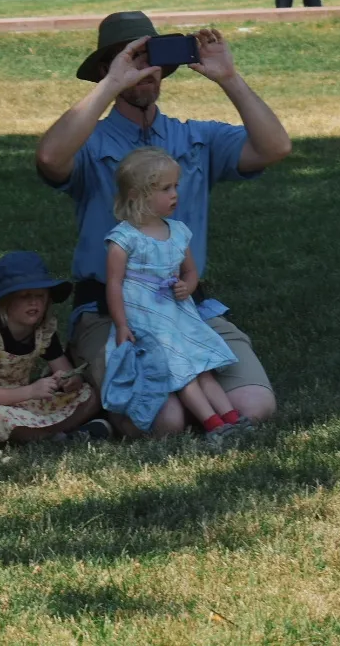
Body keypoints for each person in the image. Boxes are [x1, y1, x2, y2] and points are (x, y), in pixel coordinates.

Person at [35, 11, 292, 436]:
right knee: (164, 420)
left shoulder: (196, 137)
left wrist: (229, 77)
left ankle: (111, 409)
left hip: (185, 306)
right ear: (106, 68)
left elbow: (275, 146)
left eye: (150, 58)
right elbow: (49, 158)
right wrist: (111, 86)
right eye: (130, 59)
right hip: (108, 309)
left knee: (255, 404)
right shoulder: (89, 141)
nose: (145, 70)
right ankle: (112, 407)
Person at [104, 147, 248, 440]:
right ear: (137, 195)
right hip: (146, 321)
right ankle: (214, 425)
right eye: (165, 188)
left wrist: (188, 287)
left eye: (175, 187)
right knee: (181, 375)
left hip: (177, 317)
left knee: (201, 369)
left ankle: (233, 417)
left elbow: (190, 272)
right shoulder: (124, 239)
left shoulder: (178, 232)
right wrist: (121, 325)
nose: (174, 194)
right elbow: (114, 284)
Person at [0, 251, 108, 445]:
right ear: (5, 302)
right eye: (24, 296)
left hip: (21, 399)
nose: (34, 302)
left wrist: (68, 381)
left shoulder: (43, 332)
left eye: (40, 296)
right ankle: (54, 436)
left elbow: (66, 372)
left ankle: (52, 432)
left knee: (89, 394)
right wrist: (31, 391)